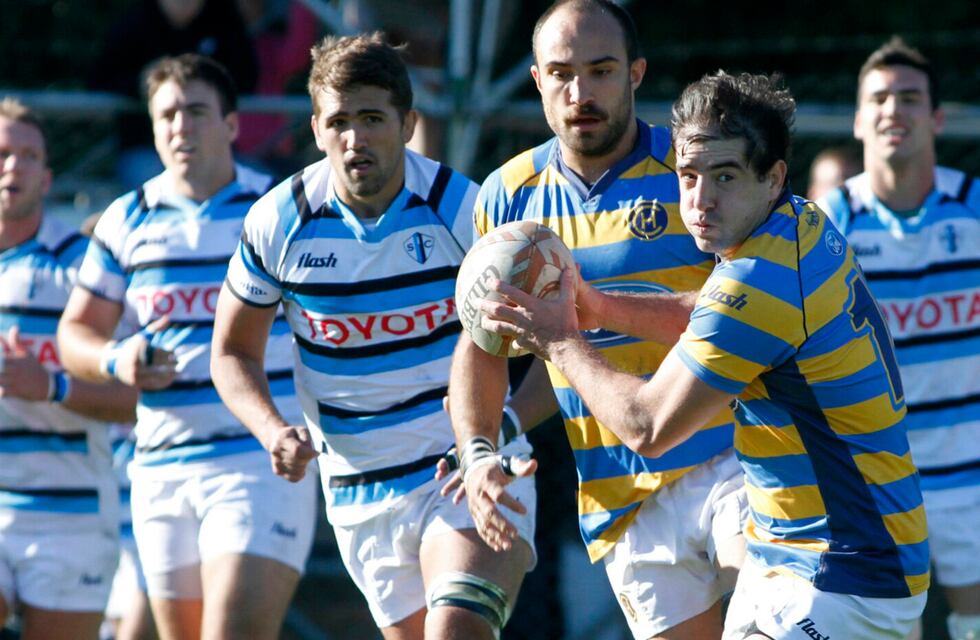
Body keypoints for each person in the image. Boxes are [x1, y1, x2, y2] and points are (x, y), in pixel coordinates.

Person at [481, 70, 931, 639]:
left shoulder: (759, 281)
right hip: (796, 556)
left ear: (773, 178)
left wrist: (560, 341)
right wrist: (595, 306)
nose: (700, 200)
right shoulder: (797, 225)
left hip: (846, 572)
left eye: (725, 176)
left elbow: (647, 426)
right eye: (689, 176)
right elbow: (711, 314)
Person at [209, 33, 539, 640]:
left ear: (408, 122)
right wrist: (271, 429)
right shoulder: (278, 221)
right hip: (359, 492)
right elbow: (231, 351)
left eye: (372, 118)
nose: (355, 138)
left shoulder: (463, 210)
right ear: (315, 129)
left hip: (463, 466)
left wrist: (498, 433)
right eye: (339, 121)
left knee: (457, 630)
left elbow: (552, 341)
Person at [447, 2, 745, 638]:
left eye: (601, 71)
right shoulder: (508, 197)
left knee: (781, 616)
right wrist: (479, 451)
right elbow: (483, 345)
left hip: (735, 456)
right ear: (536, 80)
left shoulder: (697, 168)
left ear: (636, 73)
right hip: (618, 491)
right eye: (561, 73)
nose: (580, 92)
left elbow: (754, 308)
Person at [57, 54, 317, 640]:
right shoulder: (126, 219)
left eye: (196, 111)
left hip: (258, 458)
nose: (180, 126)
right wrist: (116, 359)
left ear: (230, 124)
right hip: (161, 467)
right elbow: (74, 335)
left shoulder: (277, 212)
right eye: (167, 114)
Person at [819, 37, 980, 640]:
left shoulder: (975, 209)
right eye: (880, 98)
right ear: (859, 119)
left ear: (936, 117)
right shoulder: (826, 225)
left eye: (910, 98)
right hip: (873, 475)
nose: (894, 111)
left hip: (972, 471)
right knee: (887, 631)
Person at [0, 98, 137, 640]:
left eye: (28, 155)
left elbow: (136, 396)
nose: (14, 166)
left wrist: (51, 385)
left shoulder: (82, 266)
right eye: (3, 153)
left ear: (48, 175)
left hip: (71, 510)